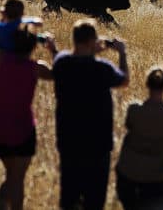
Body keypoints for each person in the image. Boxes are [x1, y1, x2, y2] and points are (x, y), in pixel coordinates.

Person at [52, 18, 129, 209]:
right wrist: (122, 53)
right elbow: (124, 80)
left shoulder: (62, 63)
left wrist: (90, 48)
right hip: (98, 143)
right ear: (91, 41)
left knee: (69, 196)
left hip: (69, 139)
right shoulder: (103, 68)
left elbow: (60, 58)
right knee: (94, 199)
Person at [0, 24, 56, 210]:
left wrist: (8, 35)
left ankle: (0, 205)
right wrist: (53, 49)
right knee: (17, 178)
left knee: (11, 175)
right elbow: (59, 73)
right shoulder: (36, 68)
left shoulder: (4, 60)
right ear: (34, 47)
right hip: (23, 126)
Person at [115, 66, 163, 210]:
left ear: (147, 84)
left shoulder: (134, 110)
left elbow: (128, 125)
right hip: (160, 179)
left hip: (130, 175)